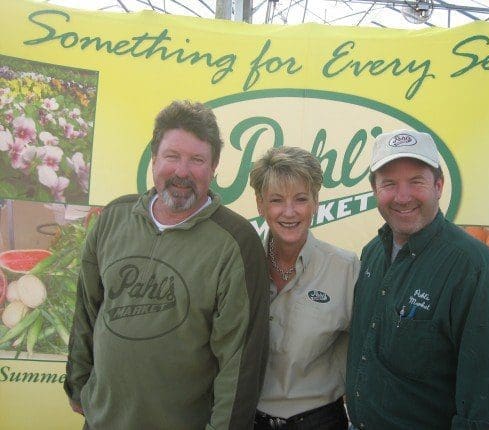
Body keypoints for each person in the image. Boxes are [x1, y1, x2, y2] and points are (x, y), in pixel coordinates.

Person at [63, 100, 269, 430]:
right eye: (172, 156)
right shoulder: (114, 218)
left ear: (214, 166)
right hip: (100, 420)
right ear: (154, 158)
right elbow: (87, 308)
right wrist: (77, 383)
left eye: (197, 160)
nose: (182, 172)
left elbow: (240, 361)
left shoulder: (236, 242)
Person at [346, 129, 489, 429]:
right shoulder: (372, 253)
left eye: (416, 181)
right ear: (375, 190)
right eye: (389, 183)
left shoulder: (477, 270)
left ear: (438, 186)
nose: (402, 197)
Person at [249, 146, 360, 430]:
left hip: (320, 421)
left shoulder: (345, 268)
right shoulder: (241, 266)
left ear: (316, 203)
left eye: (301, 199)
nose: (289, 212)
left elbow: (366, 356)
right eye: (276, 200)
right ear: (260, 205)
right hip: (250, 420)